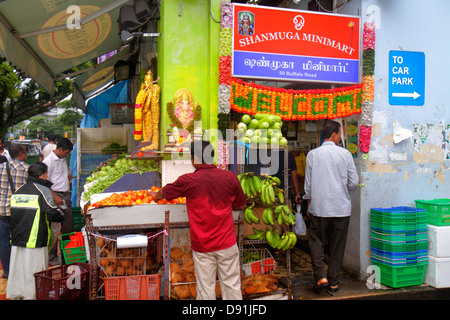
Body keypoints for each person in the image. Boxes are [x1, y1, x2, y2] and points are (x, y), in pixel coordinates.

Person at [150, 140, 247, 300]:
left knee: (205, 290)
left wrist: (153, 195)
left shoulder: (187, 181)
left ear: (195, 158)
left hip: (203, 247)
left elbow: (161, 194)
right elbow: (241, 205)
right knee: (232, 287)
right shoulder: (230, 178)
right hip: (227, 244)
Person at [303, 119, 359, 293]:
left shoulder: (312, 154)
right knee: (337, 245)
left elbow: (308, 185)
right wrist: (342, 190)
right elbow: (354, 182)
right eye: (340, 134)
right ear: (334, 134)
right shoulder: (345, 154)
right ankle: (334, 282)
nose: (340, 137)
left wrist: (309, 202)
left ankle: (321, 276)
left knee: (316, 241)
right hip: (340, 207)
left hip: (319, 207)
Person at [6, 162, 64, 300]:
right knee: (35, 270)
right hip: (36, 237)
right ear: (42, 175)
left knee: (18, 268)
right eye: (46, 173)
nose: (47, 176)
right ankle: (32, 295)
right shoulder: (42, 190)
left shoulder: (19, 190)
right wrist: (61, 214)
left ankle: (17, 293)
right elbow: (51, 212)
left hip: (17, 237)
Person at [43, 137, 73, 265]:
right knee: (55, 228)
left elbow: (59, 175)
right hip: (56, 196)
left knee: (67, 226)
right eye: (66, 153)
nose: (66, 155)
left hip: (65, 195)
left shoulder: (62, 159)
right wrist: (55, 197)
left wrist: (67, 176)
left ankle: (65, 254)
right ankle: (52, 256)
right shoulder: (48, 161)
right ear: (60, 149)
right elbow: (45, 182)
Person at [0, 143, 28, 279]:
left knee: (4, 241)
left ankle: (7, 271)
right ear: (21, 154)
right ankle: (21, 271)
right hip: (20, 211)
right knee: (21, 240)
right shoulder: (27, 169)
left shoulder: (1, 168)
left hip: (2, 210)